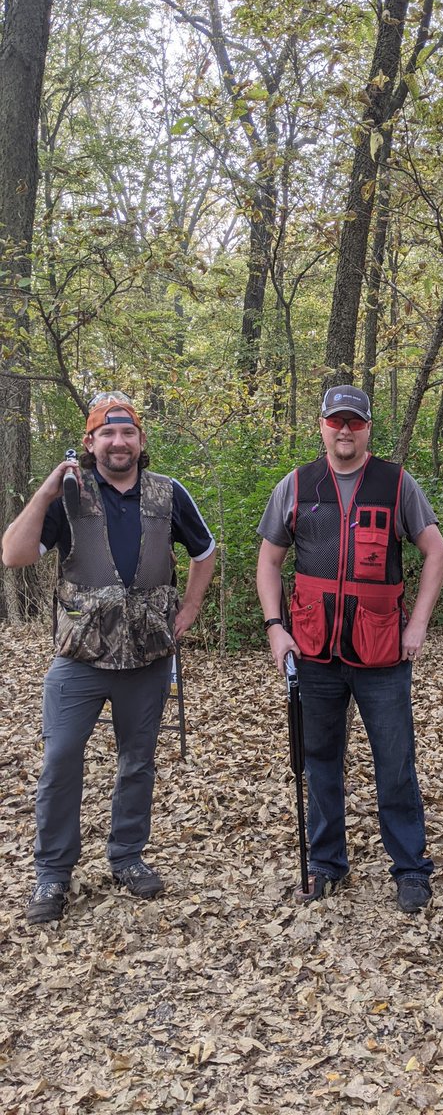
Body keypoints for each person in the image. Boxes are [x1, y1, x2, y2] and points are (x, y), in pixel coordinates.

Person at [1, 392, 216, 925]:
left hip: (145, 658)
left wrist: (188, 608)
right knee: (60, 761)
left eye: (128, 433)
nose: (118, 442)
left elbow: (204, 552)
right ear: (90, 441)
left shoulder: (169, 494)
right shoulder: (70, 496)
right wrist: (45, 492)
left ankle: (127, 858)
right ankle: (52, 874)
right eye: (107, 433)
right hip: (79, 660)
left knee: (137, 762)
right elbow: (14, 555)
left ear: (141, 442)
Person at [256, 385, 443, 914]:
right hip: (314, 651)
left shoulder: (395, 483)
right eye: (336, 421)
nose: (345, 430)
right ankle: (325, 864)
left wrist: (419, 625)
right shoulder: (296, 485)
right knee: (320, 760)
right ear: (321, 425)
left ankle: (410, 869)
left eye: (355, 422)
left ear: (367, 428)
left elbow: (436, 553)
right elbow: (269, 562)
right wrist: (276, 626)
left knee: (395, 762)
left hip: (382, 652)